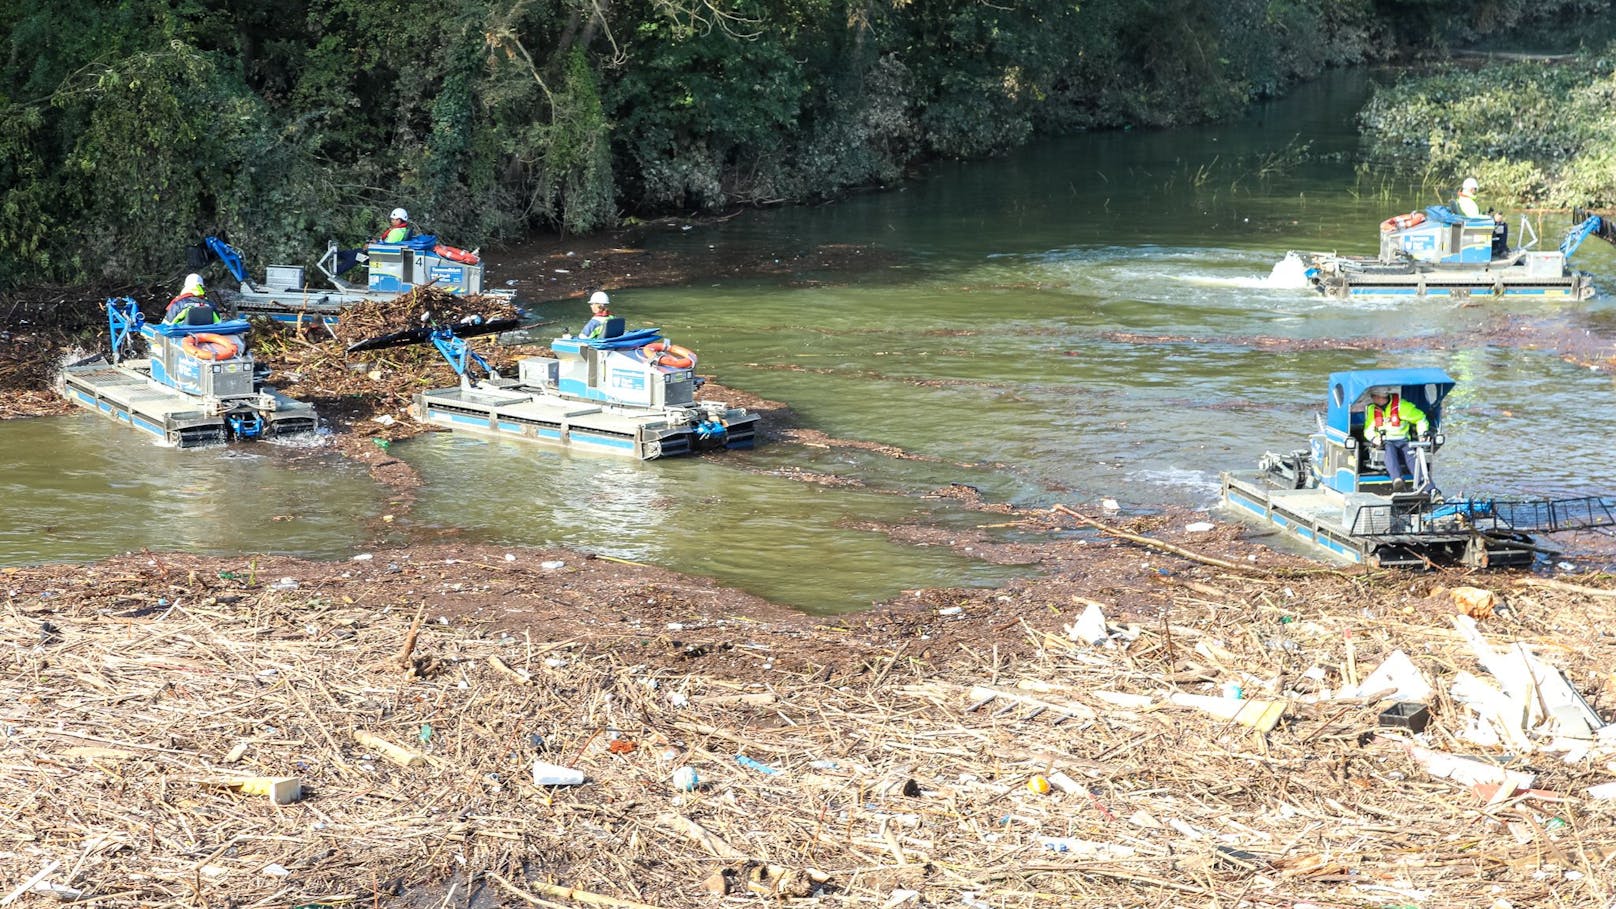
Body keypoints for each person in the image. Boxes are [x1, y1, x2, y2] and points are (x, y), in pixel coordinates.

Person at [1365, 387, 1430, 493]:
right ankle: (1397, 480)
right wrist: (1374, 438)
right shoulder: (1372, 410)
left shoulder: (1402, 407)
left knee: (1412, 458)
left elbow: (1421, 418)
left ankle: (1429, 488)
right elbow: (1367, 430)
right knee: (1389, 453)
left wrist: (1422, 434)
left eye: (1374, 397)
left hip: (1403, 440)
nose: (1373, 399)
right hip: (1386, 442)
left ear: (1380, 397)